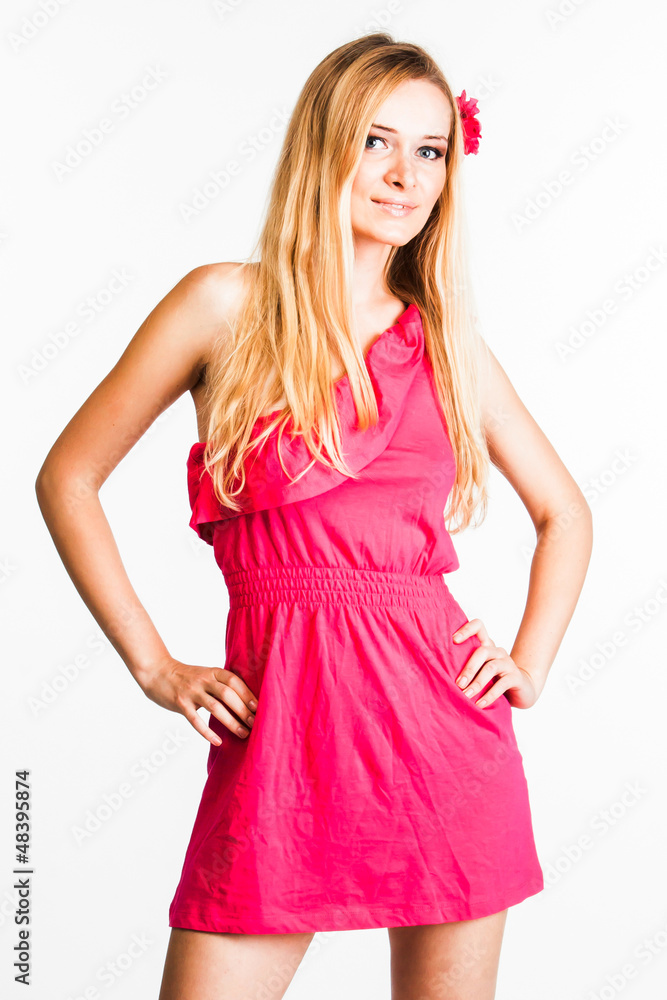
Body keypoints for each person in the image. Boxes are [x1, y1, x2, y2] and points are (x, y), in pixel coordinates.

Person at [35, 32, 593, 1000]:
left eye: (429, 151)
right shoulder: (222, 304)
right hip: (283, 740)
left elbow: (566, 513)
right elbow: (68, 476)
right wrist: (155, 664)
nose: (405, 175)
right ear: (322, 145)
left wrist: (528, 665)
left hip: (445, 738)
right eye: (378, 141)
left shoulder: (448, 342)